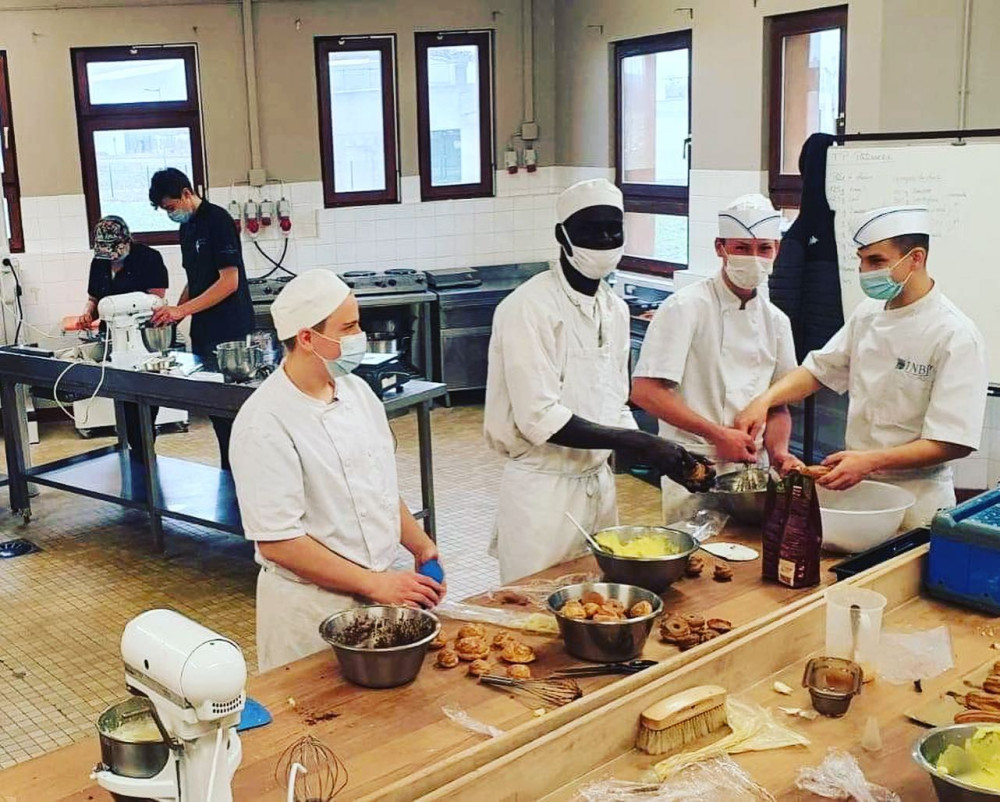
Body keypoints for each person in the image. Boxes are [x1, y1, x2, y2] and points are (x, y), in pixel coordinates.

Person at [484, 178, 713, 584]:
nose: (606, 241)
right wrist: (640, 442)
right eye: (592, 230)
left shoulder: (614, 309)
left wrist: (667, 458)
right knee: (533, 604)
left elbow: (613, 403)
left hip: (599, 489)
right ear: (563, 236)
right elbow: (540, 418)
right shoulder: (527, 308)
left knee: (598, 600)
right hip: (543, 494)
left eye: (614, 230)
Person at [230, 269, 445, 672]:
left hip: (377, 597)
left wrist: (421, 546)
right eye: (349, 327)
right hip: (311, 611)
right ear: (306, 338)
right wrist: (375, 584)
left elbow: (378, 489)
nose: (360, 336)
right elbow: (278, 542)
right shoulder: (265, 422)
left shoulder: (357, 392)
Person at [736, 205, 988, 532]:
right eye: (862, 260)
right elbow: (818, 370)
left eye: (876, 261)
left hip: (917, 497)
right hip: (858, 488)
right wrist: (765, 401)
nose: (865, 271)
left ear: (916, 258)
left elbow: (954, 441)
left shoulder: (954, 335)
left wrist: (871, 461)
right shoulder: (869, 313)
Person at [631, 194, 800, 522]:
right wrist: (717, 434)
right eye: (742, 248)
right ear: (720, 248)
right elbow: (645, 392)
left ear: (776, 251)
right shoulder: (686, 307)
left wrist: (779, 452)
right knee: (697, 548)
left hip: (753, 471)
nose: (754, 258)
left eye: (764, 249)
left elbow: (778, 405)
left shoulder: (777, 322)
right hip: (695, 464)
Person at [148, 168, 254, 470]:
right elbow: (196, 280)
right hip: (205, 331)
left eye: (171, 207)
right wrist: (173, 312)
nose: (170, 214)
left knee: (234, 411)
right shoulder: (187, 228)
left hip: (231, 331)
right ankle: (228, 473)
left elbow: (229, 281)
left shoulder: (217, 220)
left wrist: (183, 311)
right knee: (216, 411)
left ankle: (243, 475)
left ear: (186, 193)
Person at [79, 215, 168, 457]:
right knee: (124, 405)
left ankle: (144, 454)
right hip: (113, 341)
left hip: (144, 340)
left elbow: (156, 301)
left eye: (114, 250)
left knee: (143, 406)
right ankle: (134, 453)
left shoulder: (148, 258)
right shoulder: (99, 262)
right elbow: (94, 298)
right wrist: (87, 313)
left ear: (127, 241)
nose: (110, 256)